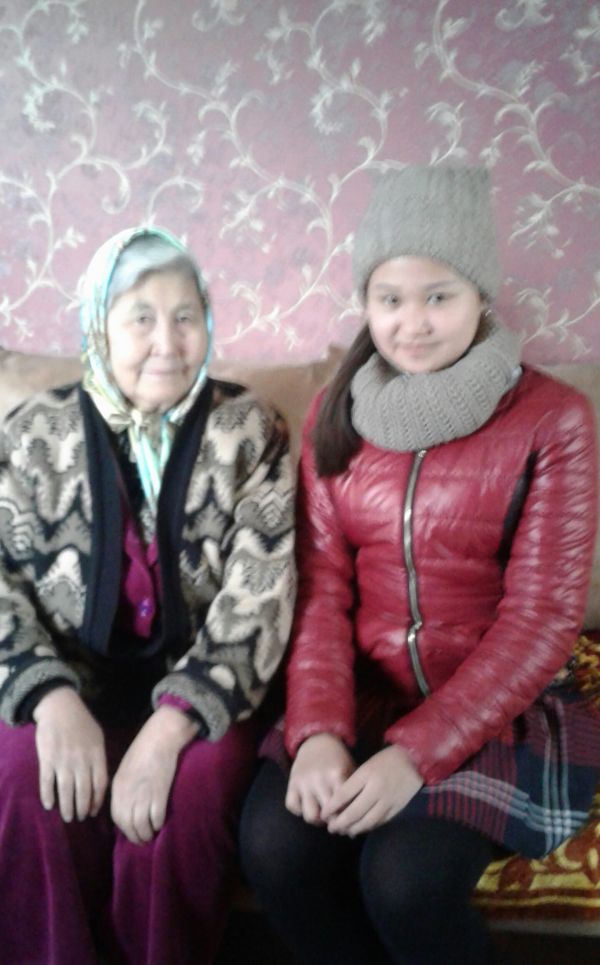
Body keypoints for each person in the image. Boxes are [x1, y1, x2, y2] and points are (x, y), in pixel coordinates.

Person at [239, 164, 600, 965]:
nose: (412, 324)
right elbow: (321, 592)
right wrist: (317, 732)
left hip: (497, 709)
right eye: (390, 299)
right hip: (363, 695)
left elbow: (542, 618)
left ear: (480, 296)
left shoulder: (553, 419)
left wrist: (417, 754)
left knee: (405, 879)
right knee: (273, 847)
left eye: (438, 296)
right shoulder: (335, 412)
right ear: (366, 303)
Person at [0, 225, 296, 964]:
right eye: (140, 317)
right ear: (97, 326)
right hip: (69, 689)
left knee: (183, 804)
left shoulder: (250, 430)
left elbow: (261, 595)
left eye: (185, 316)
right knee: (24, 780)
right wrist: (50, 699)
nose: (168, 342)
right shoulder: (31, 433)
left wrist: (169, 729)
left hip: (204, 703)